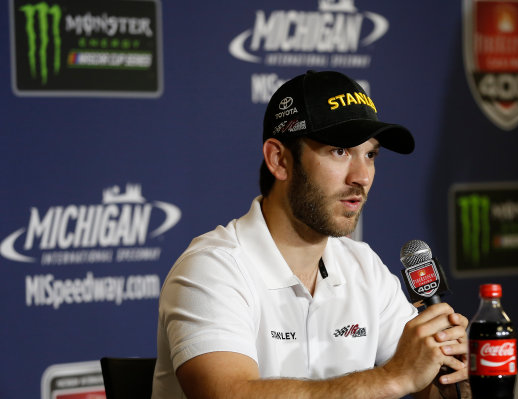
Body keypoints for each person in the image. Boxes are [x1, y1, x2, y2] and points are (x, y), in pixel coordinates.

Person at [151, 70, 470, 399]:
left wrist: (456, 382)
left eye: (371, 154)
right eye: (340, 151)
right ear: (280, 160)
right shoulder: (211, 269)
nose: (362, 176)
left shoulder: (364, 267)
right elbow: (230, 394)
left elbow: (425, 383)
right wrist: (391, 378)